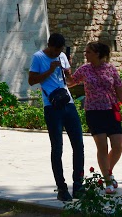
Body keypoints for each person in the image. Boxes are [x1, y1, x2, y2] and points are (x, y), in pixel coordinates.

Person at [30, 32, 83, 201]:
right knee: (57, 148)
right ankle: (61, 188)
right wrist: (50, 70)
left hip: (68, 103)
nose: (57, 53)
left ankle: (78, 185)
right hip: (51, 107)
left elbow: (68, 80)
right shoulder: (38, 57)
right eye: (55, 50)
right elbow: (31, 80)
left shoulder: (62, 56)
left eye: (60, 50)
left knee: (79, 145)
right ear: (49, 45)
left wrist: (68, 73)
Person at [70, 41, 122, 186]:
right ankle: (108, 181)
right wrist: (66, 71)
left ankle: (107, 171)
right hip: (93, 112)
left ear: (97, 54)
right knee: (102, 147)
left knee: (118, 146)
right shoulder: (85, 69)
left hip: (111, 110)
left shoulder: (110, 69)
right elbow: (71, 82)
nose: (86, 54)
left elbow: (119, 89)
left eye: (88, 52)